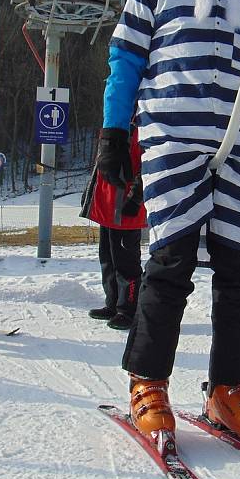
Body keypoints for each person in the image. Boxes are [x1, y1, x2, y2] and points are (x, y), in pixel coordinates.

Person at [99, 0, 240, 446]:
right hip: (173, 137)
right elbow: (125, 62)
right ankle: (147, 380)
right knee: (170, 259)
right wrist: (112, 132)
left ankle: (228, 387)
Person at [81, 124, 146, 330]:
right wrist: (89, 194)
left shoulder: (143, 126)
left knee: (126, 263)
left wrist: (136, 198)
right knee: (108, 259)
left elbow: (147, 165)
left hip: (126, 208)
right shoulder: (115, 125)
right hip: (106, 206)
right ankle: (113, 303)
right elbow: (100, 165)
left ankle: (129, 309)